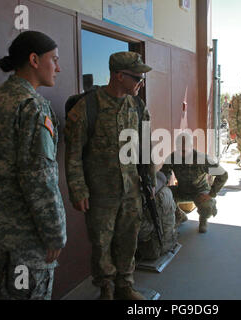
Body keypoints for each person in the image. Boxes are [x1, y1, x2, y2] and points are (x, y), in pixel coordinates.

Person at [0, 31, 66, 299]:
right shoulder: (33, 108)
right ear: (34, 60)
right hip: (27, 236)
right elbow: (40, 179)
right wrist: (55, 233)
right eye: (54, 60)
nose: (58, 68)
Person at [64, 51, 155, 300]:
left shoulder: (137, 105)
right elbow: (73, 154)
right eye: (137, 77)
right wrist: (78, 189)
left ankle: (125, 286)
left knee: (129, 238)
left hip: (132, 189)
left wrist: (151, 180)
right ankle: (106, 289)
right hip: (100, 193)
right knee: (101, 244)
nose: (141, 83)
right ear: (118, 75)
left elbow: (146, 148)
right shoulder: (88, 107)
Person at [160, 132, 228, 233]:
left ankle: (203, 219)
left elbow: (223, 175)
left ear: (191, 146)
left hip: (200, 192)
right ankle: (179, 216)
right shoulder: (173, 157)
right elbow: (163, 174)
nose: (181, 152)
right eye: (179, 149)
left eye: (184, 150)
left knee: (208, 205)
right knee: (162, 195)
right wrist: (158, 185)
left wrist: (211, 194)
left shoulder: (202, 159)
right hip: (181, 190)